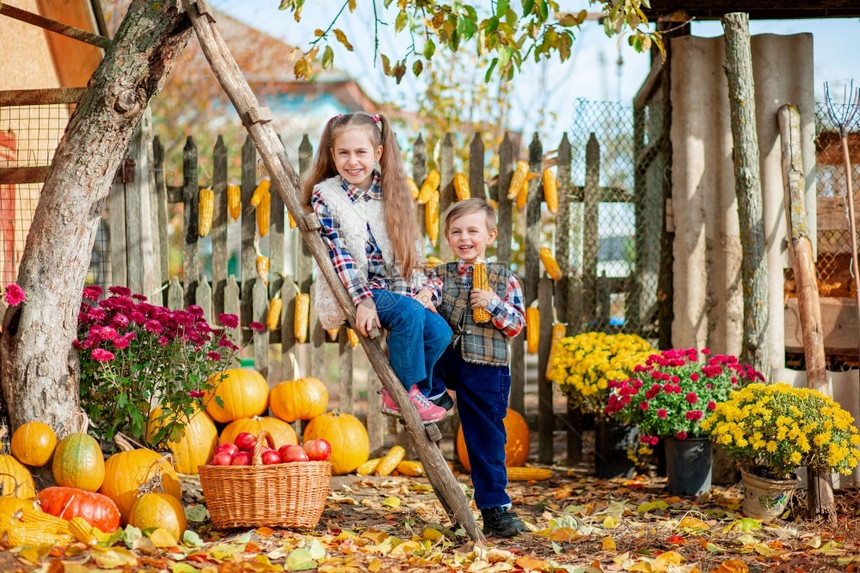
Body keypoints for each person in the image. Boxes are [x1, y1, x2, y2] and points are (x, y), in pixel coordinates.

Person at [301, 112, 450, 423]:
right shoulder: (326, 196)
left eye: (361, 152)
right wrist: (363, 299)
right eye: (343, 152)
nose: (352, 161)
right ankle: (403, 394)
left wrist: (424, 291)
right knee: (408, 314)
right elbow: (339, 255)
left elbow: (411, 250)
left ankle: (422, 389)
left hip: (396, 290)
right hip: (352, 289)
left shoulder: (392, 191)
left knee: (439, 330)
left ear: (377, 153)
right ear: (332, 154)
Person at [428, 198, 528, 538]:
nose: (464, 238)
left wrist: (493, 304)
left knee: (485, 439)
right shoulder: (439, 275)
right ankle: (434, 394)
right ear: (447, 236)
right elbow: (427, 295)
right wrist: (425, 297)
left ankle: (495, 508)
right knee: (421, 340)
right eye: (456, 232)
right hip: (450, 358)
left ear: (490, 235)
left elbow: (516, 325)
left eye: (473, 231)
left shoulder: (504, 278)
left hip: (487, 368)